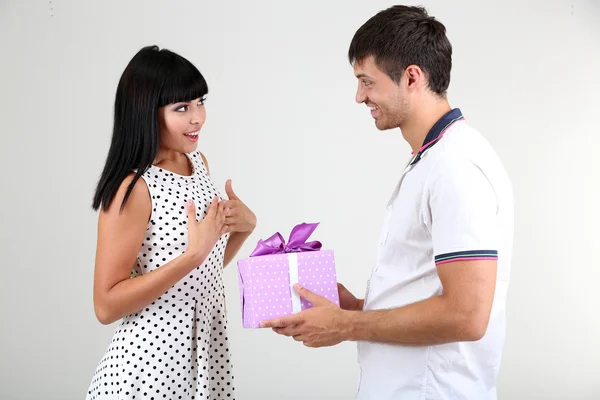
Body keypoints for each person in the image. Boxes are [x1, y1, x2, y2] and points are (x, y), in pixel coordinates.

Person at [261, 5, 514, 400]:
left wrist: (345, 326)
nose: (359, 96)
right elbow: (425, 295)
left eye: (367, 82)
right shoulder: (432, 160)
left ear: (412, 77)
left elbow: (466, 315)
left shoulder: (455, 167)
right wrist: (355, 309)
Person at [86, 45, 256, 400]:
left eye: (200, 102)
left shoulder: (198, 165)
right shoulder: (133, 189)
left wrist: (243, 228)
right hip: (150, 368)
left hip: (203, 357)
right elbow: (105, 305)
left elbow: (202, 267)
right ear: (146, 113)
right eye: (182, 108)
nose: (198, 118)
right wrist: (190, 256)